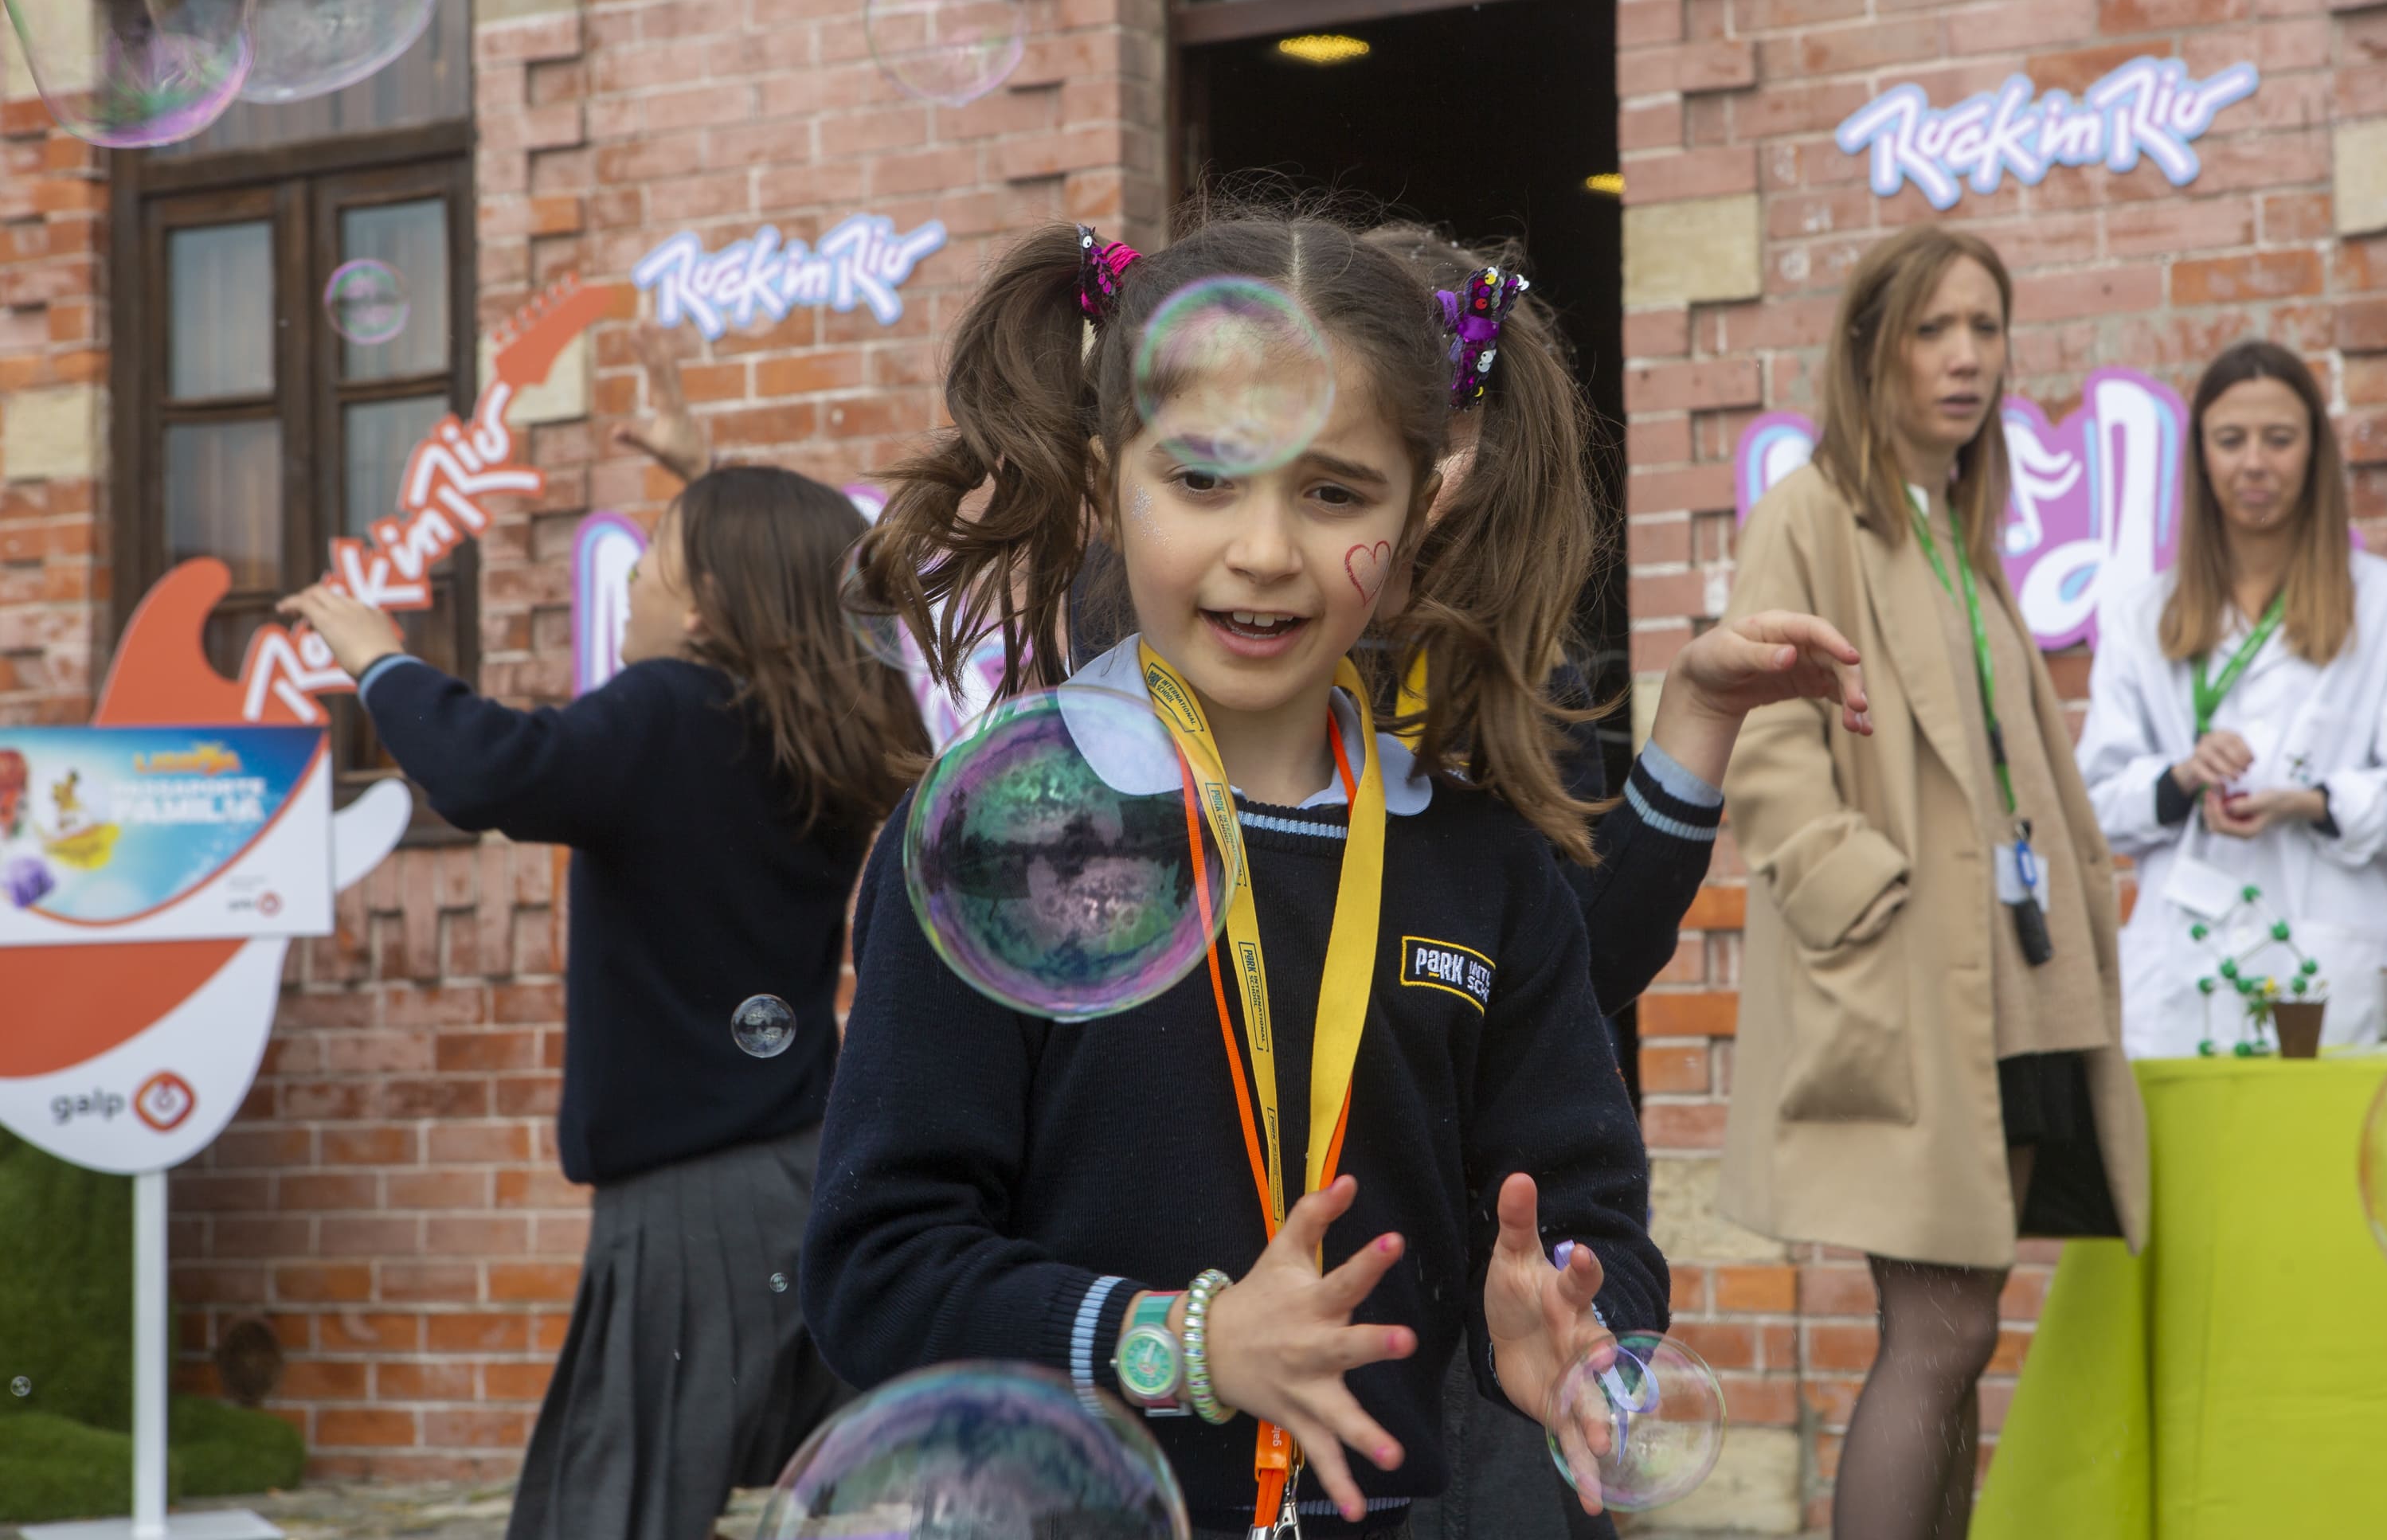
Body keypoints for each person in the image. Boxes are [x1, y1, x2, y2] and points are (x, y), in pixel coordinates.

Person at [800, 208, 1849, 1540]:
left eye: (1334, 490)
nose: (1266, 549)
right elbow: (877, 1271)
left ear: (1423, 511)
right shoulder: (1003, 835)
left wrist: (1583, 1317)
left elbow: (1587, 1214)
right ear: (1100, 479)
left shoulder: (1483, 868)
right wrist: (1186, 1343)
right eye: (1203, 479)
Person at [280, 466, 929, 1540]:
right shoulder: (816, 726)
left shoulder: (670, 707)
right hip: (802, 1169)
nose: (629, 587)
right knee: (829, 1484)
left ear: (707, 604)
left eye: (656, 560)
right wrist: (702, 471)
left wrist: (377, 659)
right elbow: (792, 589)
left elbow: (496, 771)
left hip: (691, 1204)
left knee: (601, 1511)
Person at [1351, 225, 1869, 1540]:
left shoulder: (1515, 684)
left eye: (1449, 422)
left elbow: (1579, 971)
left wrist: (1697, 723)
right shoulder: (1193, 696)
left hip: (1487, 1313)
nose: (1421, 463)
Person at [1716, 225, 2150, 1540]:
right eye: (1933, 329)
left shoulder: (1959, 531)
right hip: (1906, 985)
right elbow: (1764, 740)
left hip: (2004, 988)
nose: (1967, 358)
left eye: (1986, 329)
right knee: (1941, 1331)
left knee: (1959, 1343)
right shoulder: (1813, 514)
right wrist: (1869, 897)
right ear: (1871, 349)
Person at [2078, 340, 2387, 1057]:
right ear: (2200, 459)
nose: (2255, 462)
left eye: (2279, 440)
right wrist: (2181, 777)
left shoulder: (2375, 603)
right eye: (2231, 440)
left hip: (2326, 954)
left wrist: (2313, 802)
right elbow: (2093, 804)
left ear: (2313, 453)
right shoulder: (2141, 614)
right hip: (2182, 970)